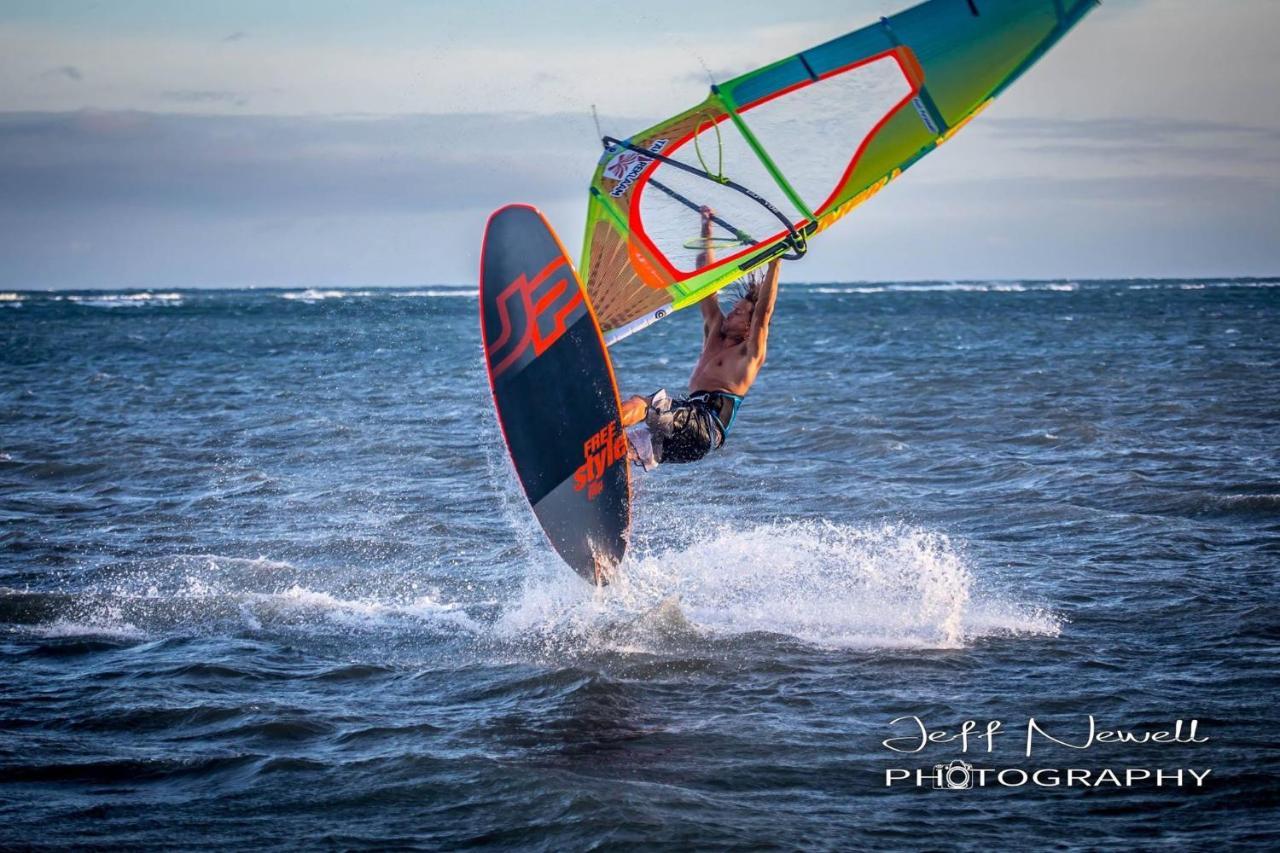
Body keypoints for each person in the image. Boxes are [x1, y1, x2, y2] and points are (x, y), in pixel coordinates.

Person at [620, 206, 780, 467]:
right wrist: (707, 231)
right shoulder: (714, 332)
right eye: (734, 309)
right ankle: (602, 469)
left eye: (739, 313)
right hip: (690, 433)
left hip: (703, 425)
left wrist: (775, 262)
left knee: (645, 404)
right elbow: (706, 283)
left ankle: (602, 423)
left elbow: (764, 312)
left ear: (749, 328)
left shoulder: (749, 354)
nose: (730, 313)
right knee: (629, 448)